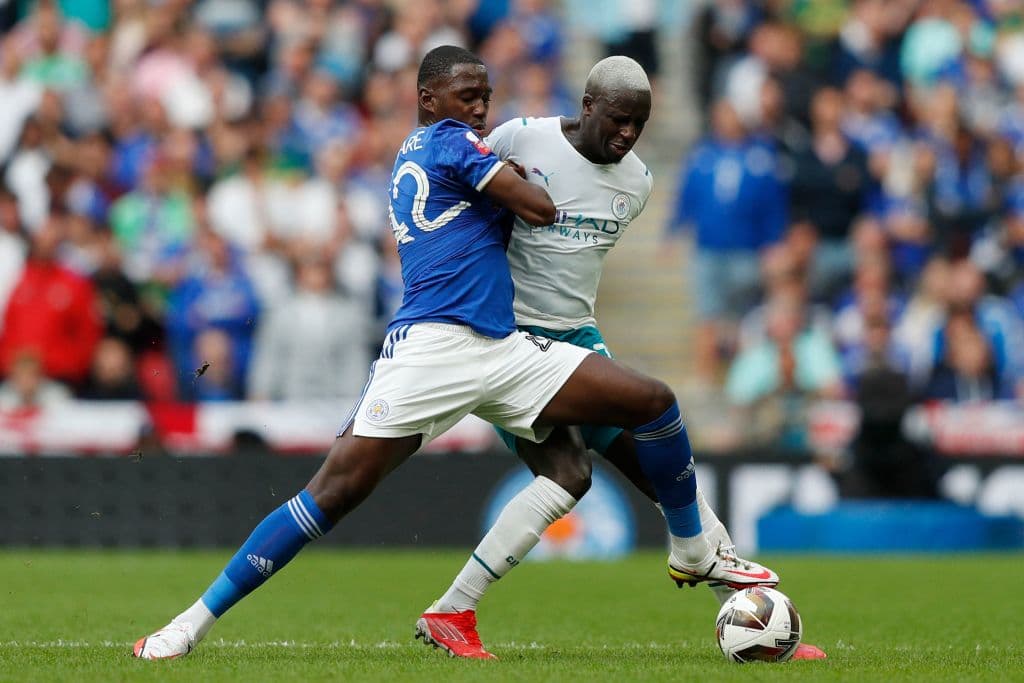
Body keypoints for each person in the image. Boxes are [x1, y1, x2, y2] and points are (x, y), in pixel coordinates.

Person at [133, 45, 775, 661]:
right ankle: (189, 623)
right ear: (427, 97)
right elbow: (541, 208)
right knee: (333, 491)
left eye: (485, 97)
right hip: (434, 348)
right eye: (467, 96)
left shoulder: (438, 150)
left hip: (504, 348)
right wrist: (519, 184)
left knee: (636, 417)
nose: (479, 108)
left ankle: (468, 608)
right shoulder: (451, 141)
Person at [416, 56, 826, 661]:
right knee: (594, 461)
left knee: (661, 480)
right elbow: (459, 197)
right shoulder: (517, 139)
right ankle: (454, 608)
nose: (628, 134)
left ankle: (751, 625)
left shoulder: (637, 183)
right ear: (587, 107)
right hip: (509, 343)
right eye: (618, 119)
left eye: (639, 123)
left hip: (578, 339)